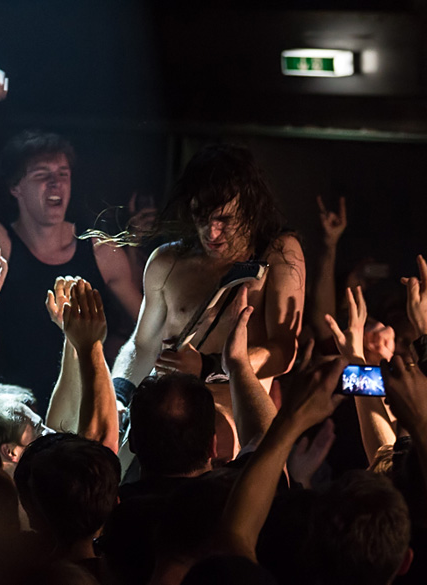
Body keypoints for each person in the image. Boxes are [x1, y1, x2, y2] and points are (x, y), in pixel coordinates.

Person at [0, 62, 142, 408]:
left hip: (81, 411)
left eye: (63, 173)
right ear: (15, 188)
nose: (56, 183)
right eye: (42, 174)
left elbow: (146, 328)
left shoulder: (100, 250)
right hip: (8, 412)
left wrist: (121, 385)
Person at [111, 144, 305, 458]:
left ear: (249, 208)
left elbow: (284, 351)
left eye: (224, 219)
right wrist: (118, 396)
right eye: (202, 216)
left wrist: (208, 367)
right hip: (164, 429)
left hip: (232, 435)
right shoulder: (167, 260)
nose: (212, 231)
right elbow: (142, 344)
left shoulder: (279, 253)